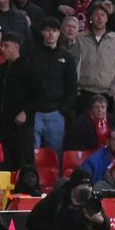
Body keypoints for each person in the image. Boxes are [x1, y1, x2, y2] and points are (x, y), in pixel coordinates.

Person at [0, 31, 41, 171]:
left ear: (16, 47)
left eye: (6, 46)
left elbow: (39, 95)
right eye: (2, 46)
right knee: (5, 159)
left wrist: (26, 112)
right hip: (3, 124)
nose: (2, 49)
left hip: (22, 126)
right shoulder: (2, 69)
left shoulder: (29, 69)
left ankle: (25, 190)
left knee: (23, 161)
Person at [30, 17, 77, 158]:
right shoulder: (32, 55)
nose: (51, 34)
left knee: (55, 155)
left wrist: (63, 110)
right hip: (35, 112)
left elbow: (72, 87)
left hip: (56, 113)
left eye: (54, 30)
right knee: (32, 154)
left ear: (59, 33)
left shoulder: (67, 58)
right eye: (47, 30)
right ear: (42, 33)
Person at [75, 5, 115, 116]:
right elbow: (74, 64)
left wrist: (113, 89)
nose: (99, 18)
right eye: (96, 15)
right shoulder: (79, 38)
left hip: (107, 93)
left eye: (103, 15)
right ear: (91, 18)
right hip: (84, 92)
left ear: (107, 18)